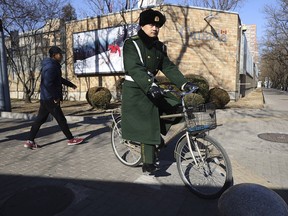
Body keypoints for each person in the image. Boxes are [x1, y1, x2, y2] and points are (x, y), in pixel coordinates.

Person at [121, 9, 197, 173]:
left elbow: (168, 67)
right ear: (142, 25)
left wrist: (184, 84)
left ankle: (156, 135)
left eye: (157, 25)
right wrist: (150, 85)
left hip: (151, 87)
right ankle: (148, 162)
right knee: (148, 119)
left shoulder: (159, 47)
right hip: (135, 89)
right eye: (151, 24)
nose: (154, 27)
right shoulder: (131, 43)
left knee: (175, 105)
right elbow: (134, 68)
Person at [24, 46, 84, 149]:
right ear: (53, 55)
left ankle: (30, 141)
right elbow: (48, 84)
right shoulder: (51, 67)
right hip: (50, 98)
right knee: (61, 119)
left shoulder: (52, 65)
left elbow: (58, 79)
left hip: (46, 98)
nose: (61, 56)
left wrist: (70, 84)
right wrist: (55, 97)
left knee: (40, 120)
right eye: (59, 54)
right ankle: (71, 139)